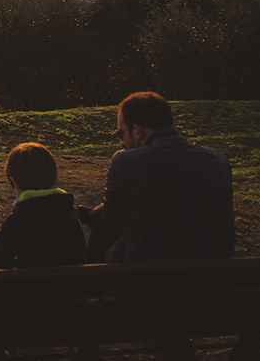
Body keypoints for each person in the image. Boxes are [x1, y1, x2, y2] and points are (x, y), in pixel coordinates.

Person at [84, 92, 234, 263]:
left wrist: (107, 212)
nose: (122, 143)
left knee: (100, 221)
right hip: (214, 279)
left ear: (138, 131)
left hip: (148, 280)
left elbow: (112, 226)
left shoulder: (126, 161)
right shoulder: (219, 161)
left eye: (121, 134)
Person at [0, 142, 87, 270]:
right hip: (72, 286)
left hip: (31, 288)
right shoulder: (69, 212)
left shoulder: (20, 217)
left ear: (14, 182)